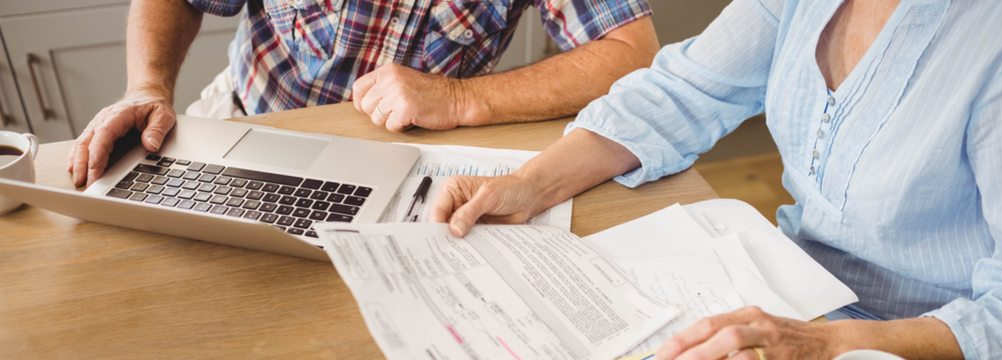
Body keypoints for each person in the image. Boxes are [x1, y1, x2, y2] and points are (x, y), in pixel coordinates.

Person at [430, 0, 1002, 359]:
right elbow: (682, 91)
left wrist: (827, 347)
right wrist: (530, 183)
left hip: (913, 342)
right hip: (789, 299)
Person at [67, 0, 659, 187]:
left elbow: (633, 51)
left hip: (419, 160)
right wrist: (146, 85)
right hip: (248, 127)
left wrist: (458, 99)